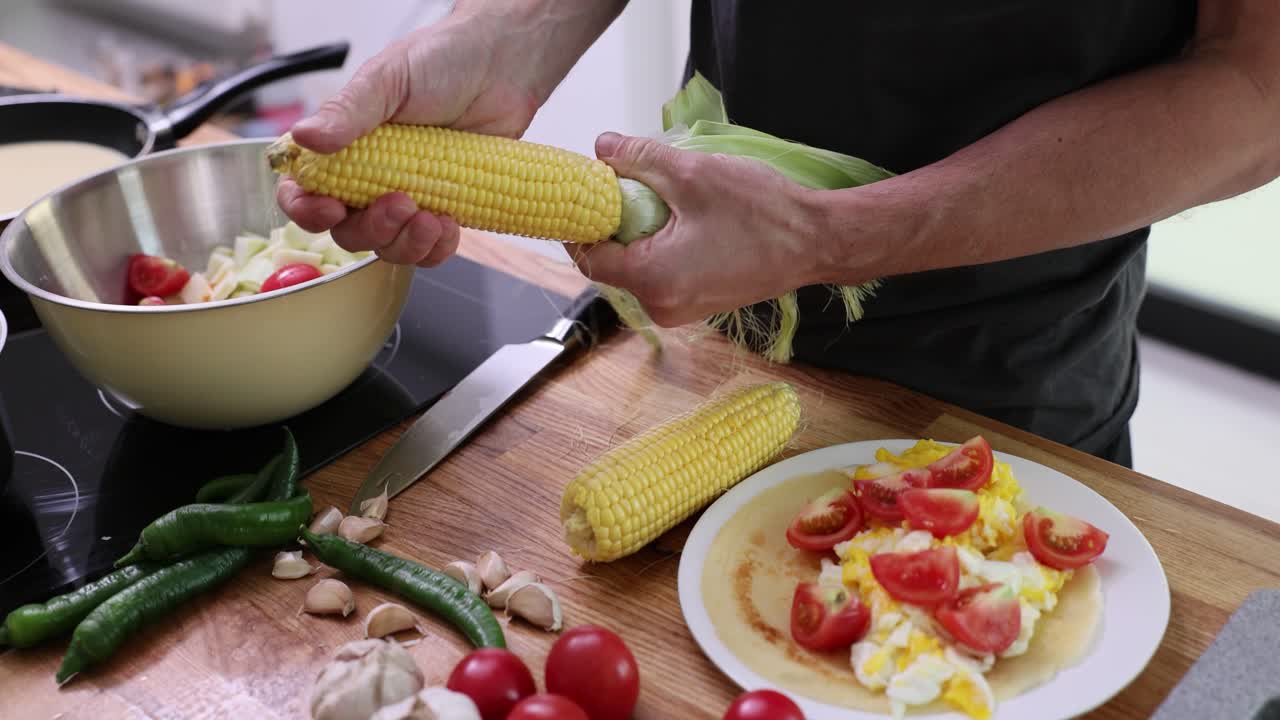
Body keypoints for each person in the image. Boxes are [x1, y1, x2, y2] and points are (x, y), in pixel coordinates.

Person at [278, 1, 1280, 469]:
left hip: (1014, 375)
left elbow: (1254, 85)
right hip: (708, 338)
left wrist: (824, 235)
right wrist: (508, 35)